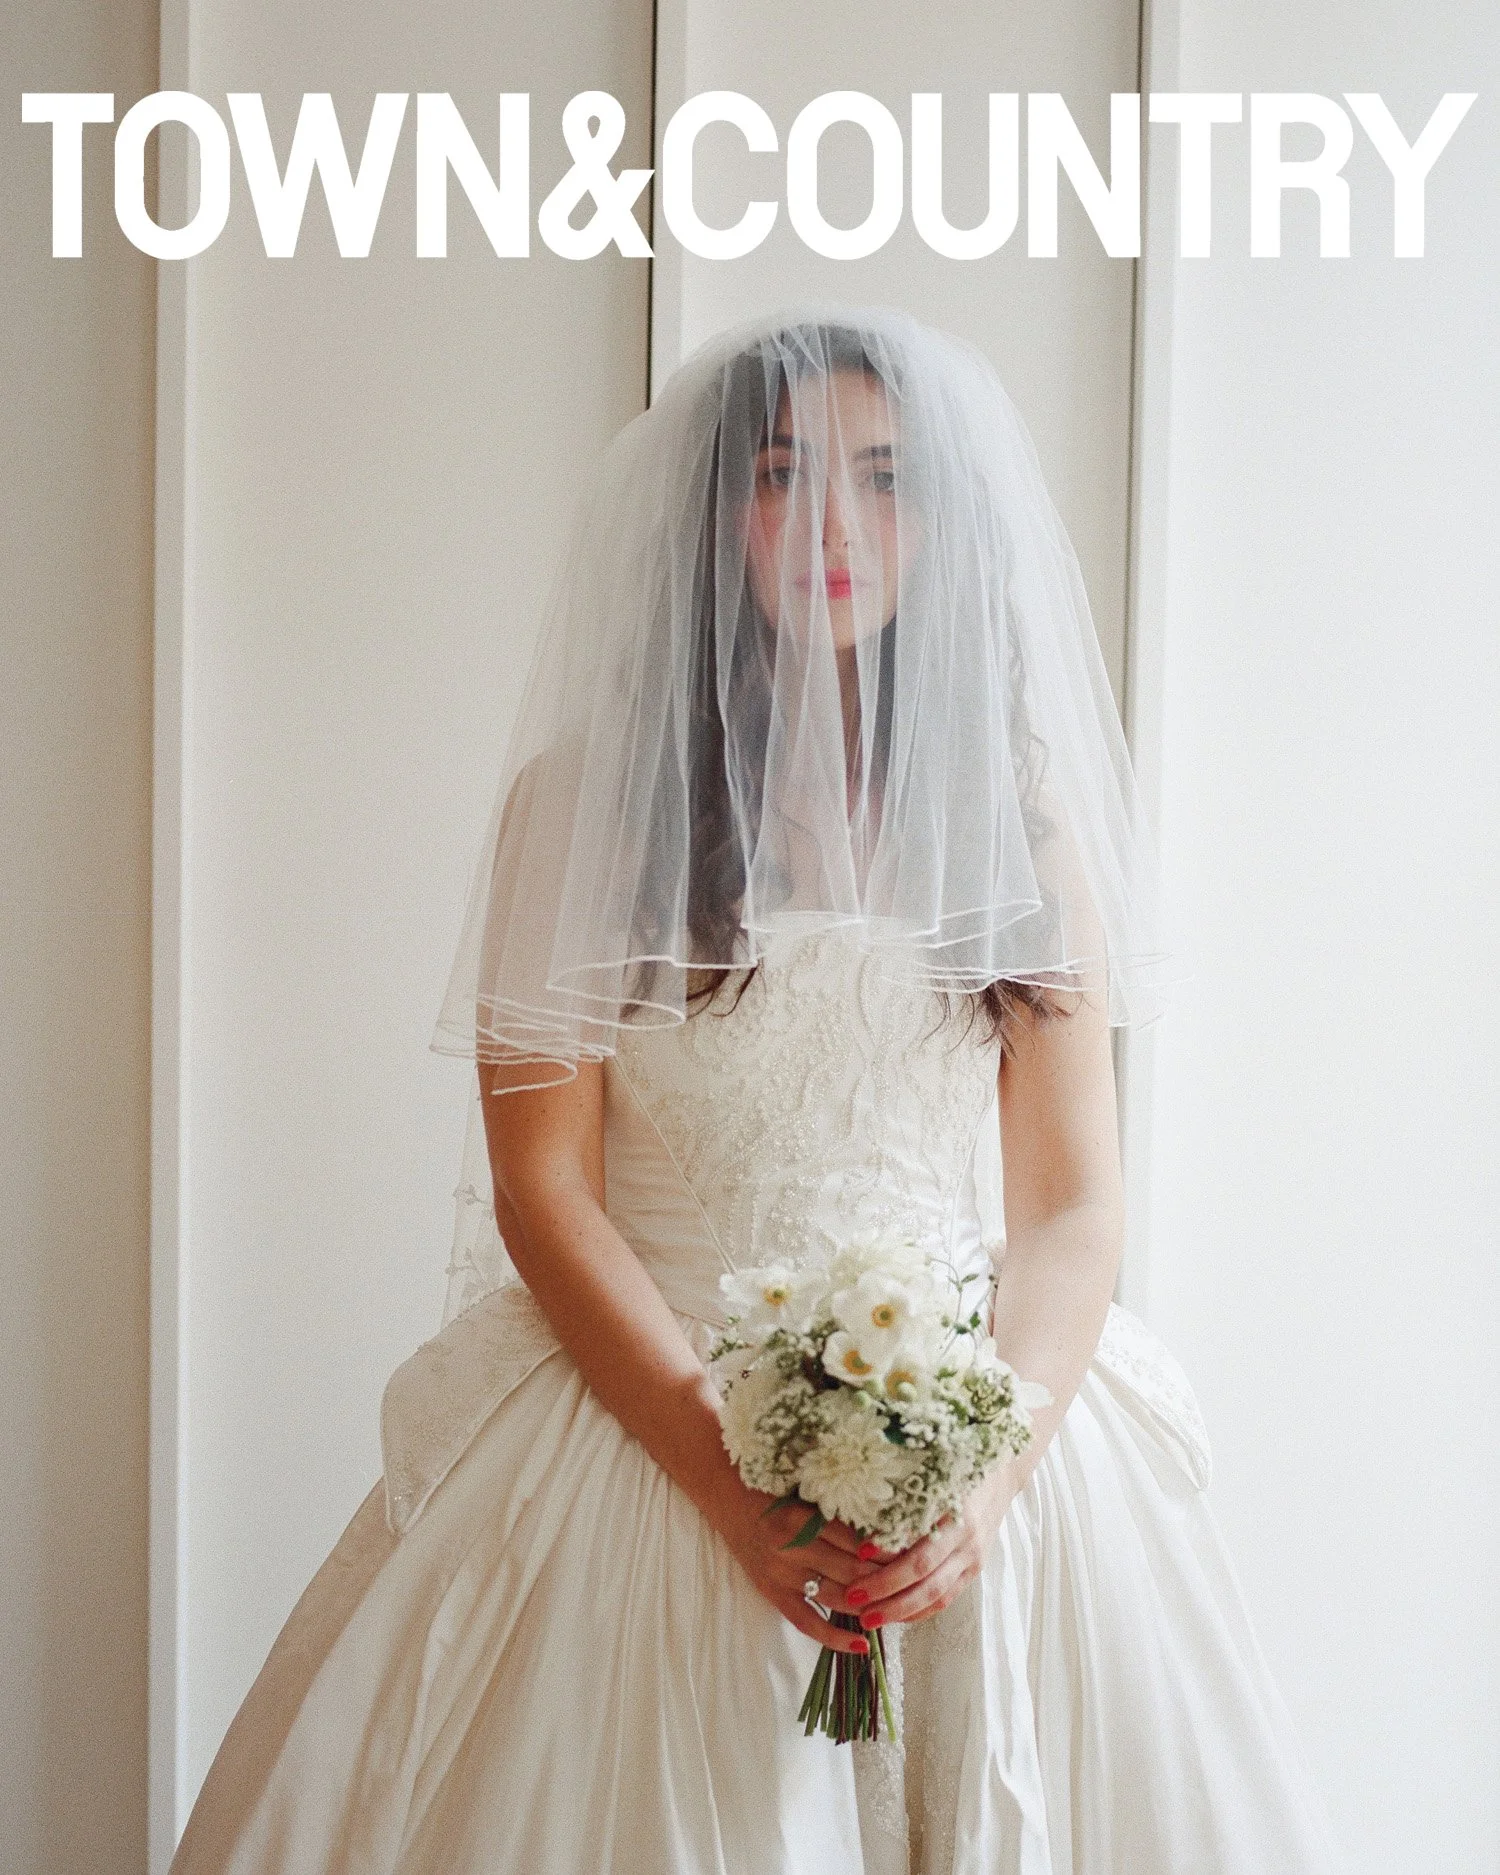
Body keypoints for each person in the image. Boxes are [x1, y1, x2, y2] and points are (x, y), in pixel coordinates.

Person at [171, 307, 1345, 1874]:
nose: (839, 527)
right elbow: (543, 1187)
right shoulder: (582, 810)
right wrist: (728, 1484)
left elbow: (1073, 1204)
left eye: (886, 479)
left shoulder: (1022, 825)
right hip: (655, 1431)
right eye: (787, 474)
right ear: (716, 515)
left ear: (946, 520)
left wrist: (987, 1477)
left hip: (977, 1434)